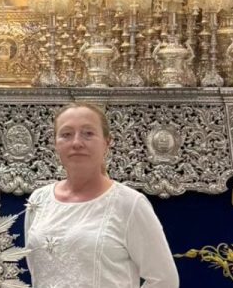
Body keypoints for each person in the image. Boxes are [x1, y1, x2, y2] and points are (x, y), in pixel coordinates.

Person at [24, 102, 179, 287]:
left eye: (88, 133)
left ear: (107, 143)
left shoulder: (129, 204)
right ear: (55, 144)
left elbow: (164, 279)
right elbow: (37, 273)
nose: (76, 143)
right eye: (66, 134)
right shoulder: (39, 200)